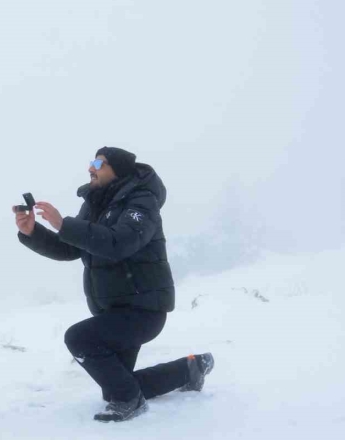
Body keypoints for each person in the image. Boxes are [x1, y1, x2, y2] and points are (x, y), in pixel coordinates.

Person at [14, 147, 214, 422]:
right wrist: (32, 232)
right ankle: (189, 370)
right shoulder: (95, 203)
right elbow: (71, 248)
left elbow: (120, 242)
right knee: (116, 387)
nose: (91, 168)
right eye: (91, 162)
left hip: (143, 310)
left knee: (80, 339)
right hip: (114, 311)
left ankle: (131, 402)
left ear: (117, 169)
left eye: (99, 163)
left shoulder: (142, 201)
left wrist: (64, 223)